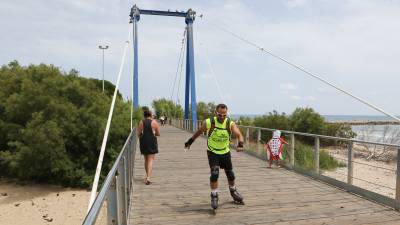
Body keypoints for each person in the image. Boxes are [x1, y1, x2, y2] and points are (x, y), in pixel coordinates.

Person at [184, 103, 245, 210]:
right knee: (214, 173)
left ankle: (233, 190)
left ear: (227, 113)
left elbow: (239, 135)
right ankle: (214, 195)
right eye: (219, 114)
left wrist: (240, 144)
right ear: (215, 113)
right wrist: (189, 142)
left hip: (225, 152)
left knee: (230, 174)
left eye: (224, 115)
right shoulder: (209, 122)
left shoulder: (230, 123)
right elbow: (198, 132)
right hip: (213, 152)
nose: (222, 117)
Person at [137, 109, 160, 185]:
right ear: (150, 115)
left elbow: (138, 133)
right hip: (152, 141)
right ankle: (149, 177)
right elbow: (158, 134)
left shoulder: (141, 122)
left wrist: (141, 135)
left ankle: (147, 176)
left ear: (144, 115)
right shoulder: (154, 122)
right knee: (150, 160)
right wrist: (154, 133)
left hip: (143, 141)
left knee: (146, 159)